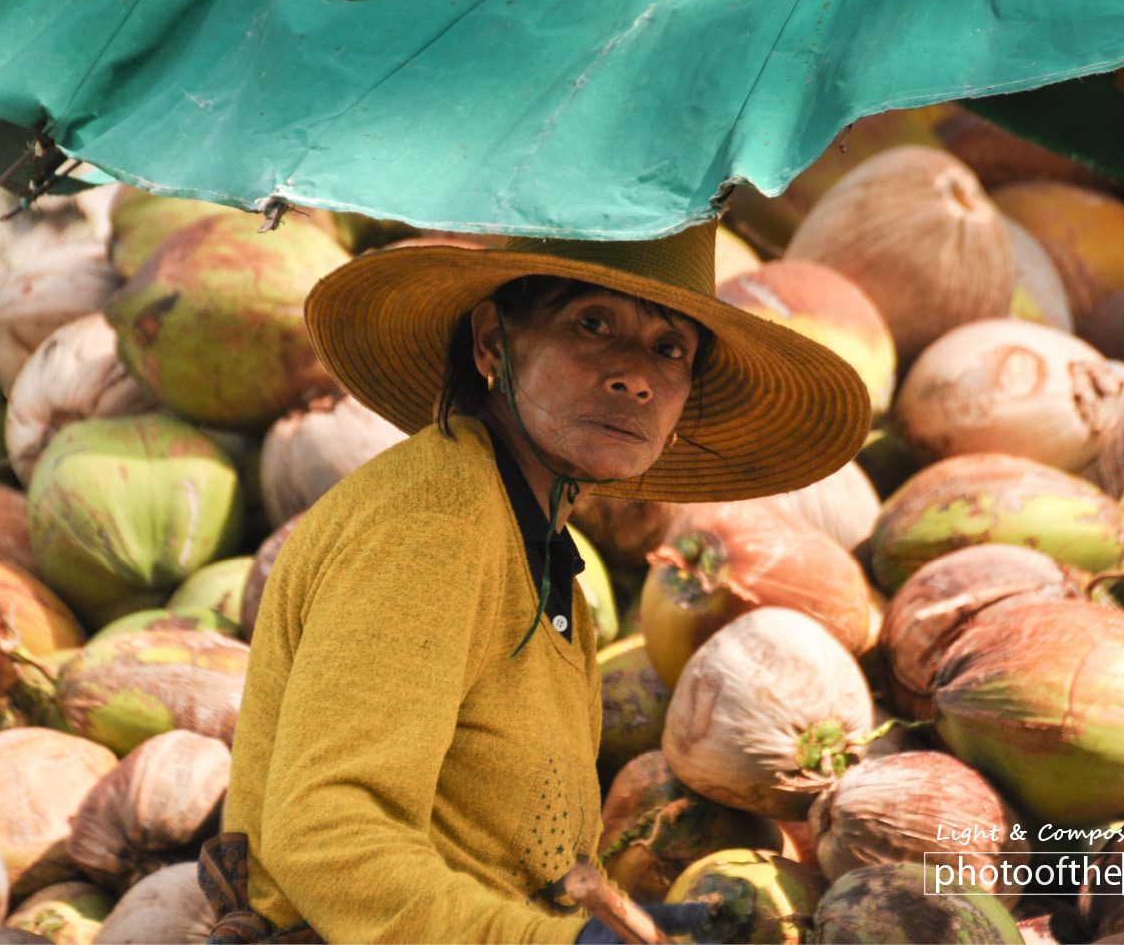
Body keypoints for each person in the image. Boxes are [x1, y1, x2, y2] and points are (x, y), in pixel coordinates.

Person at [208, 220, 870, 943]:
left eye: (668, 348)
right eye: (593, 323)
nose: (634, 376)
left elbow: (500, 857)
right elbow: (328, 831)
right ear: (493, 341)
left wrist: (626, 922)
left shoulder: (549, 565)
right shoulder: (434, 517)